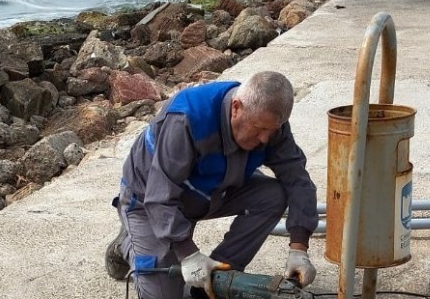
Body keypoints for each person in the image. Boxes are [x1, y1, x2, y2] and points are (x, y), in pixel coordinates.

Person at [105, 71, 318, 299]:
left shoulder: (270, 123)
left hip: (212, 190)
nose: (265, 139)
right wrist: (188, 255)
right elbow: (160, 198)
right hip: (148, 201)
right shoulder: (187, 118)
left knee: (273, 195)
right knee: (163, 295)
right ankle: (127, 244)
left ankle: (214, 281)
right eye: (258, 129)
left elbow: (298, 180)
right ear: (236, 107)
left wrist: (299, 247)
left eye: (271, 131)